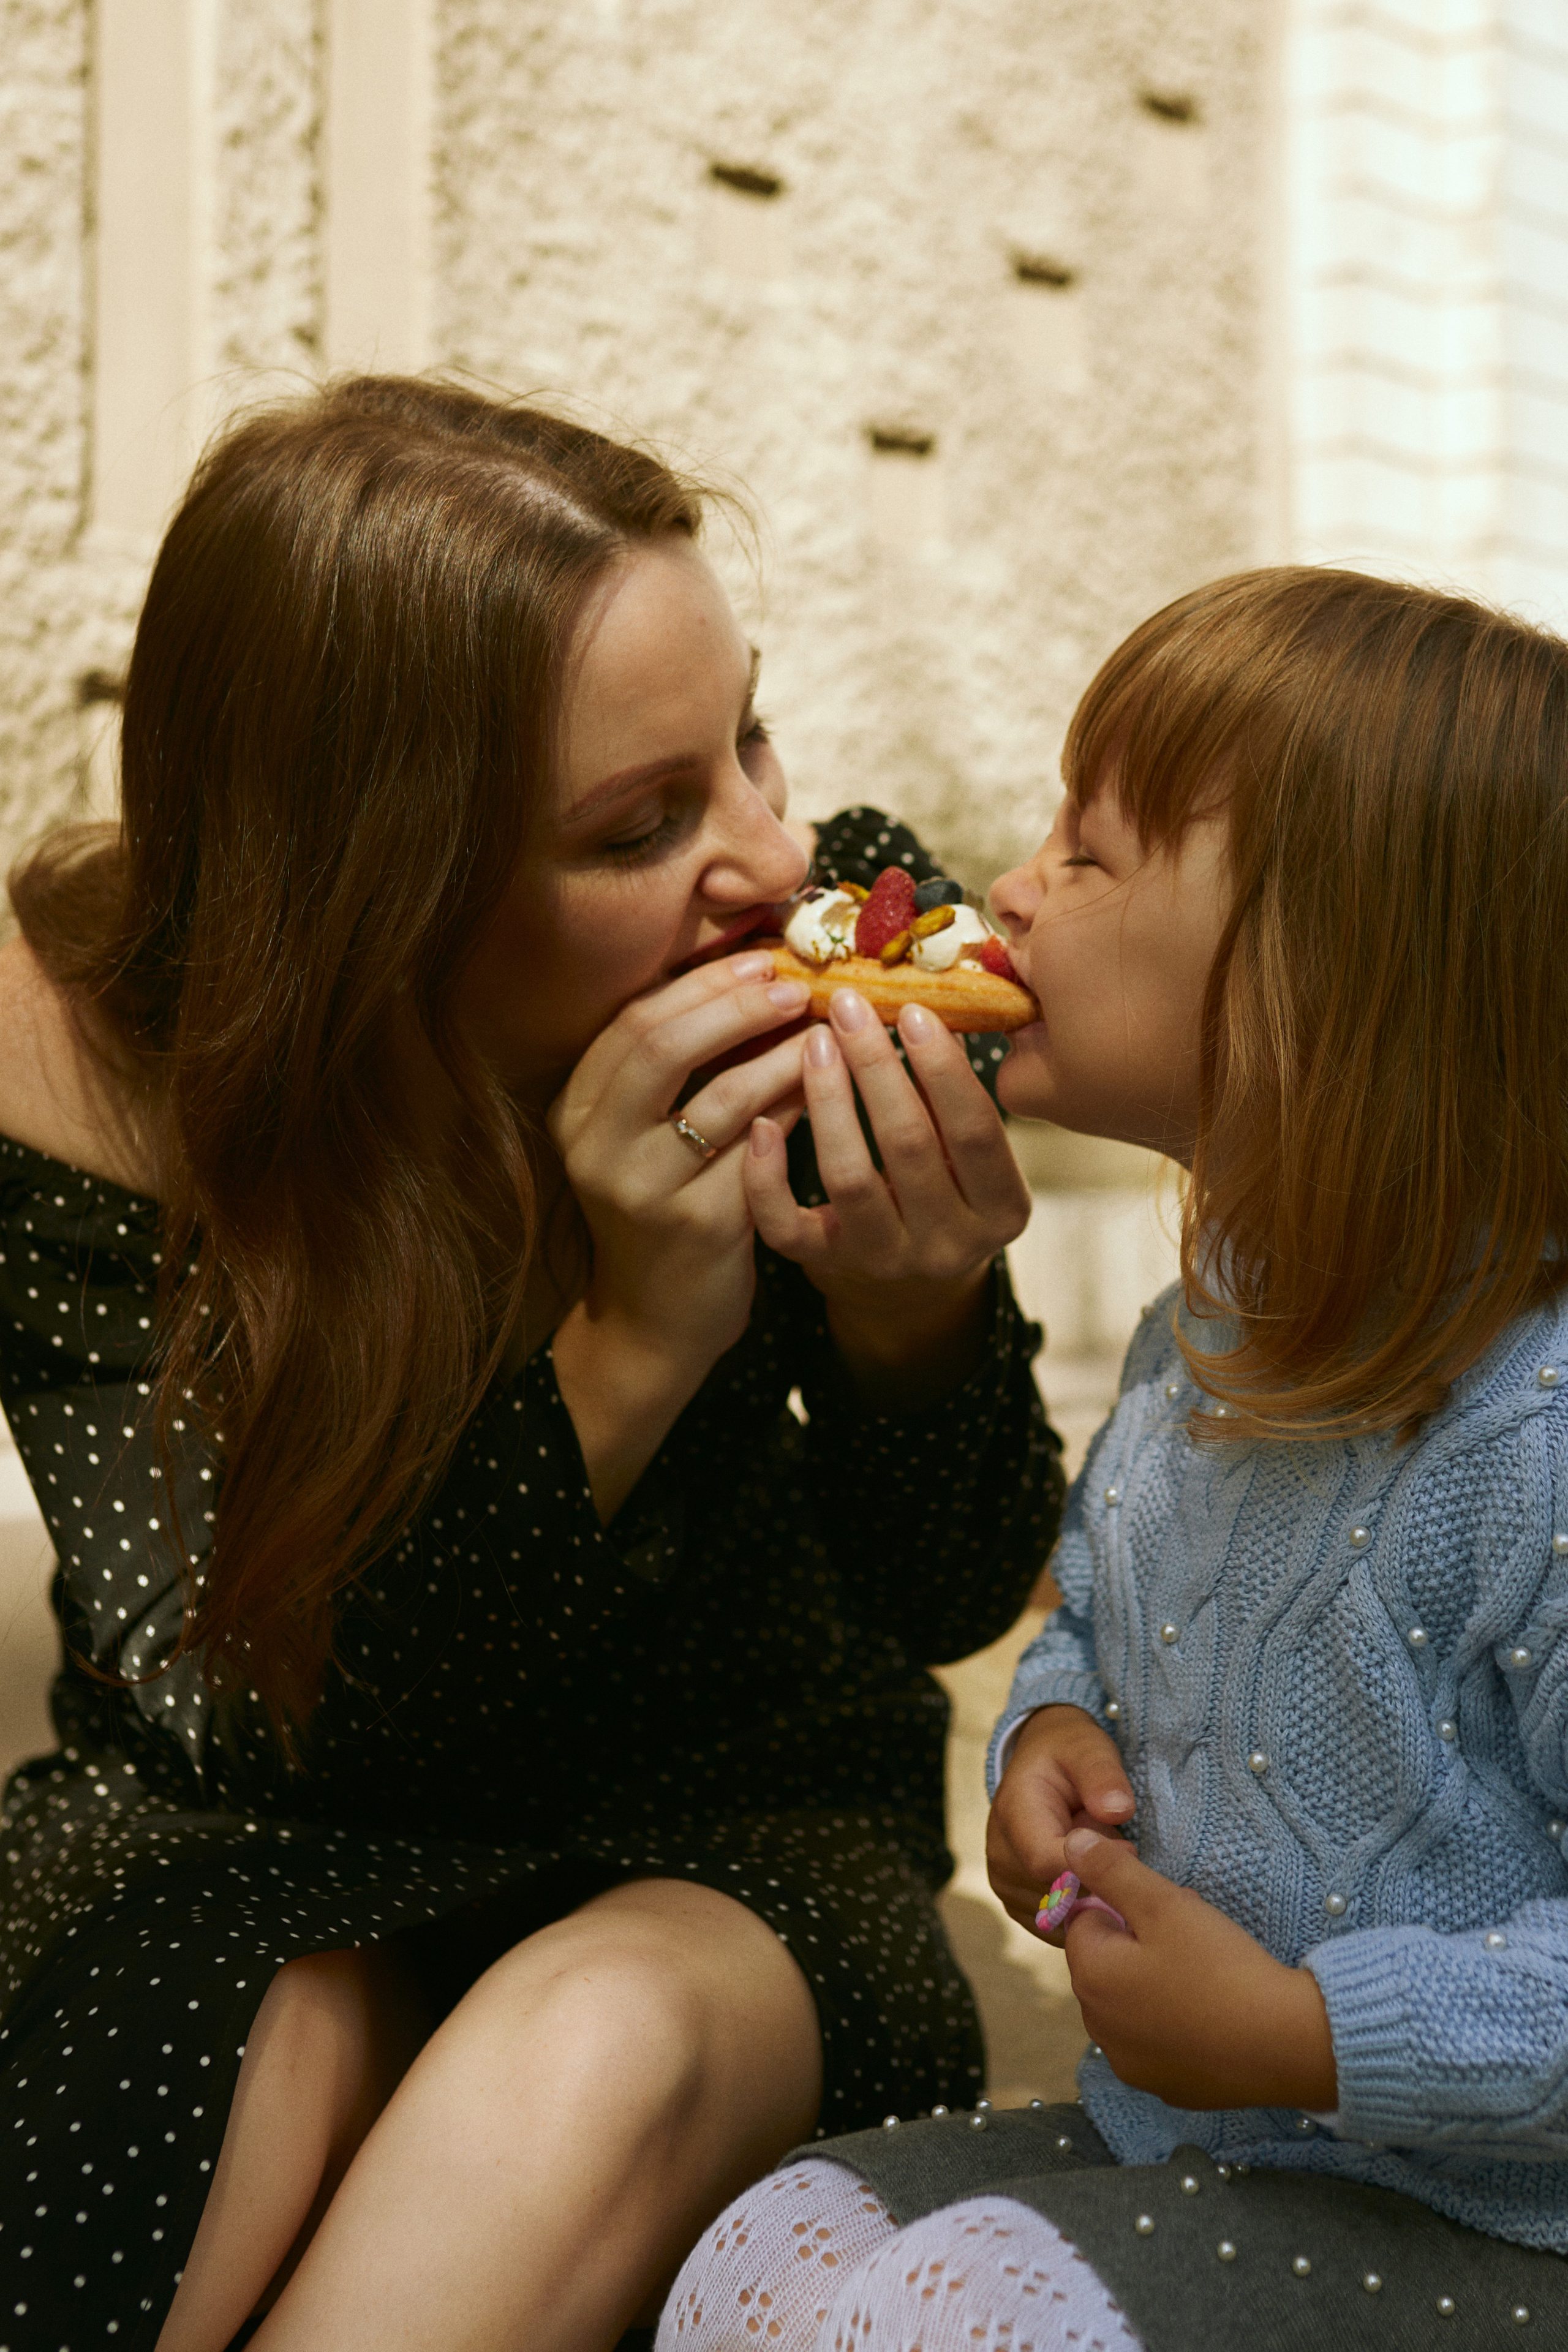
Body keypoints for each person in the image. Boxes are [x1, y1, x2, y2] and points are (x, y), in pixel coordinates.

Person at [0, 377, 1063, 2351]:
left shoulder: (843, 915)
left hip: (735, 1833)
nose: (769, 857)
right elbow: (261, 1715)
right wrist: (628, 1344)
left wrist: (918, 1322)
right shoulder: (85, 1080)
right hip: (247, 1825)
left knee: (591, 2040)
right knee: (239, 2036)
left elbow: (950, 1589)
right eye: (640, 825)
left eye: (747, 734)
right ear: (375, 898)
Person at [660, 566, 1568, 2352]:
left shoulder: (1535, 1447)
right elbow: (1103, 1622)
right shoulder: (1205, 1336)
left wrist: (1309, 2037)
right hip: (1208, 2148)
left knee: (955, 2315)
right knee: (756, 2252)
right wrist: (1052, 1738)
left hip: (1496, 2222)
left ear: (1331, 979)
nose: (1009, 886)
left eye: (1092, 854)